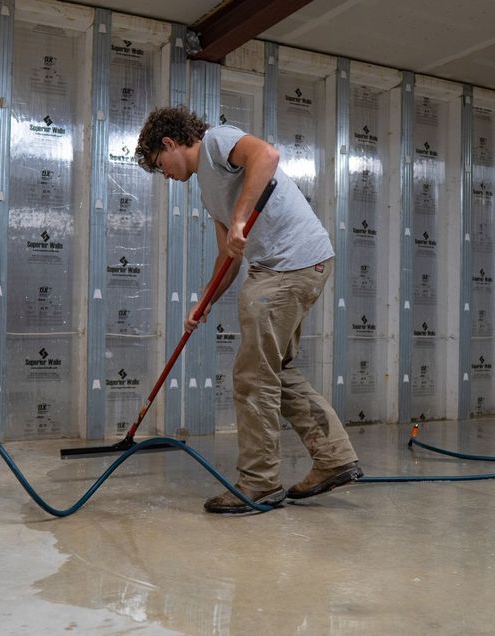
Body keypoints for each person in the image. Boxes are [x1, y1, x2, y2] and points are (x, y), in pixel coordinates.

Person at [135, 106, 362, 514]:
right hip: (288, 265)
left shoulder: (217, 141)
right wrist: (203, 302)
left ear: (169, 144)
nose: (164, 175)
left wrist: (240, 218)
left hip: (288, 264)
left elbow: (267, 156)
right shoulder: (207, 187)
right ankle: (334, 457)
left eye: (159, 164)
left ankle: (259, 484)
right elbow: (229, 256)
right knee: (273, 368)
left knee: (253, 375)